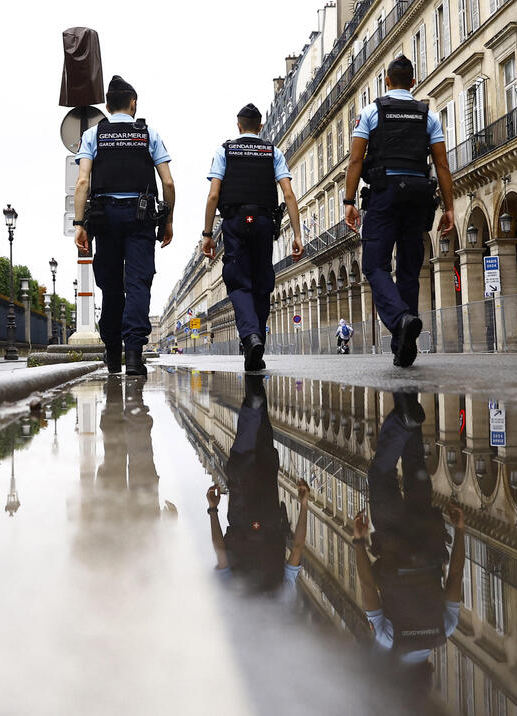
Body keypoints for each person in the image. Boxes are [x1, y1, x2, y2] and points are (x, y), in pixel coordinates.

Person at [343, 56, 455, 368]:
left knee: (375, 266)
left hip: (384, 194)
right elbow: (442, 165)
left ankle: (401, 319)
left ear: (387, 82)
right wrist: (449, 207)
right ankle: (403, 347)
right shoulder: (427, 116)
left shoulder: (371, 112)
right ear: (414, 81)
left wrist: (349, 201)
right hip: (419, 196)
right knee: (409, 268)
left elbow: (355, 161)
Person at [351, 392, 466, 665]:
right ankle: (404, 418)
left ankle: (408, 400)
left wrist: (460, 529)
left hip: (426, 533)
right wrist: (359, 542)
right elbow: (368, 585)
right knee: (380, 475)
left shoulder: (444, 630)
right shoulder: (388, 640)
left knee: (415, 463)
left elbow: (456, 576)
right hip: (392, 539)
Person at [73, 75, 176, 376]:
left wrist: (80, 224)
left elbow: (82, 181)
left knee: (111, 286)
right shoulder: (148, 134)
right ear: (133, 104)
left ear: (107, 106)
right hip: (140, 216)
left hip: (104, 217)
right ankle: (133, 354)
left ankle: (112, 349)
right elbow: (167, 182)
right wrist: (167, 220)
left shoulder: (94, 135)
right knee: (138, 282)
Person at [202, 103, 303, 372]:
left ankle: (251, 337)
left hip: (235, 222)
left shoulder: (224, 151)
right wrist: (296, 234)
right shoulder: (273, 152)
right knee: (262, 282)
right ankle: (256, 341)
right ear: (261, 126)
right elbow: (289, 194)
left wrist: (207, 234)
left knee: (238, 282)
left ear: (238, 126)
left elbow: (213, 195)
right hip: (263, 222)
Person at [206, 375, 310, 597]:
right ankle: (253, 390)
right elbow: (220, 551)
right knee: (245, 440)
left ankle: (254, 382)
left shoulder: (281, 595)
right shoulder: (232, 594)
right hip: (241, 500)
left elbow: (298, 547)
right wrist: (212, 509)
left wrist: (304, 505)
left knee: (262, 433)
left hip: (268, 498)